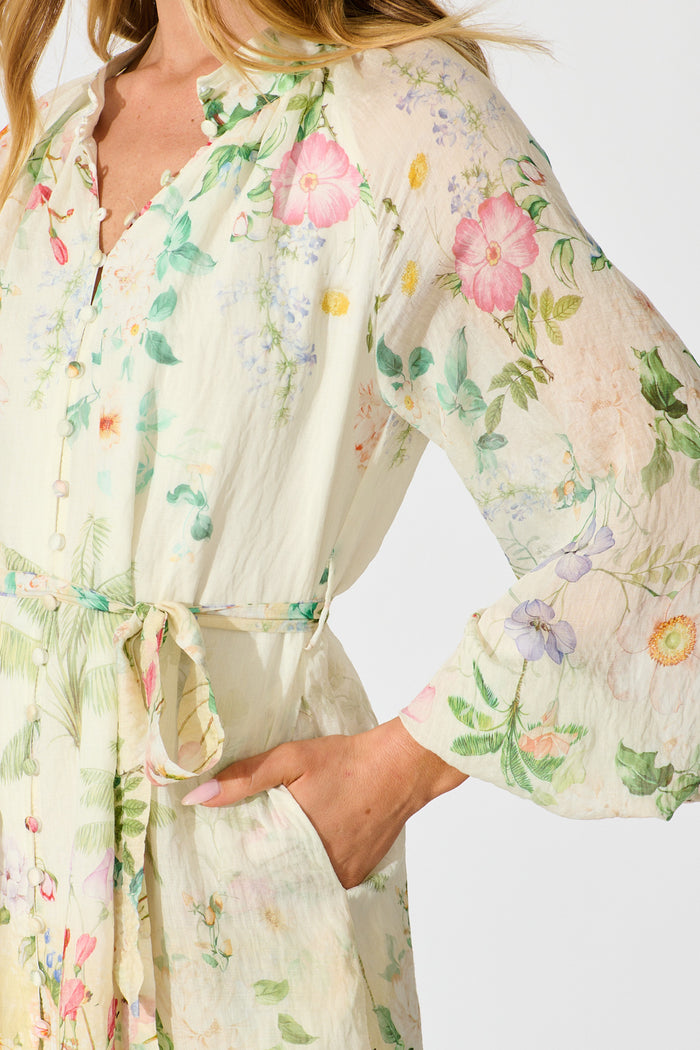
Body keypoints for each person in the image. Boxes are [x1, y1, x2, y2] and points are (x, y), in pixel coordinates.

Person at [0, 0, 697, 1046]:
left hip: (230, 901)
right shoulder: (43, 138)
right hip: (22, 890)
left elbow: (669, 490)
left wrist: (403, 766)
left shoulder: (400, 125)